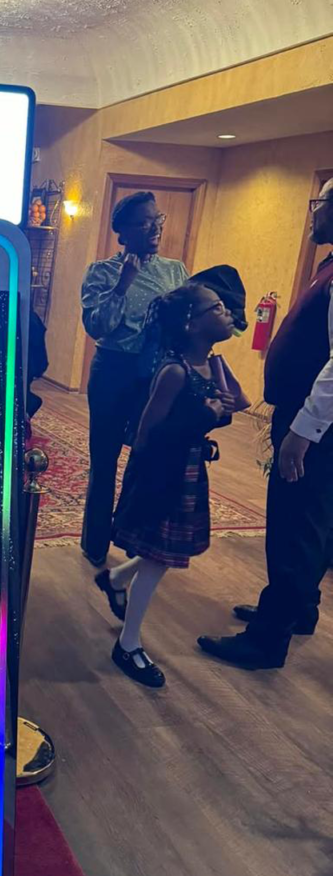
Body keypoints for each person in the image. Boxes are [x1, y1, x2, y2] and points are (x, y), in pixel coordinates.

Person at [198, 178, 333, 669]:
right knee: (309, 523)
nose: (312, 213)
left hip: (313, 425)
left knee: (296, 527)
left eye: (319, 203)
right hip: (304, 417)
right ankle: (298, 609)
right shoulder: (327, 266)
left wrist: (302, 432)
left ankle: (267, 640)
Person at [95, 285, 236, 687]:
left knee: (166, 552)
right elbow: (145, 436)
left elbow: (237, 403)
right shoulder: (174, 371)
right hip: (163, 474)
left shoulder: (208, 366)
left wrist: (218, 400)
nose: (228, 313)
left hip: (189, 470)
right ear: (191, 324)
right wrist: (205, 416)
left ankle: (116, 579)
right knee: (159, 559)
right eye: (217, 308)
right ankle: (128, 643)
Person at [80, 191, 189, 567]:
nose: (154, 227)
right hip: (113, 372)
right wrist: (123, 284)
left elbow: (185, 323)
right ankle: (95, 541)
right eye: (144, 222)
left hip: (157, 377)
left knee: (144, 458)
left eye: (157, 219)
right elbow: (98, 326)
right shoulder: (101, 272)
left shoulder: (175, 271)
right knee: (105, 459)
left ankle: (130, 535)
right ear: (122, 232)